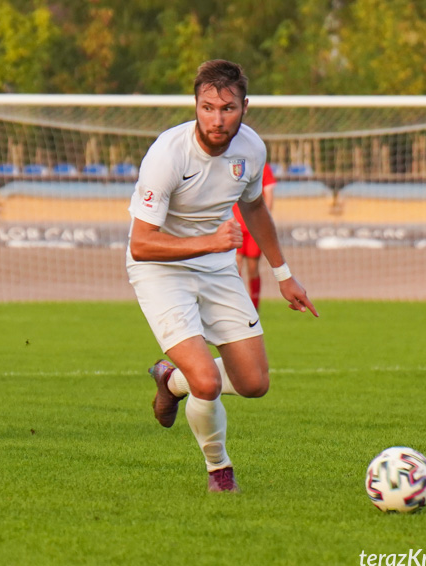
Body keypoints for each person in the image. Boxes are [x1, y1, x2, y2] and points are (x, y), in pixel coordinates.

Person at [126, 59, 318, 492]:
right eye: (208, 107)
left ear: (244, 107)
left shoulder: (251, 149)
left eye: (227, 108)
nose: (216, 118)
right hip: (160, 269)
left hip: (215, 266)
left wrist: (284, 274)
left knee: (254, 383)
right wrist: (210, 242)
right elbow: (141, 244)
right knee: (208, 382)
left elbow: (254, 207)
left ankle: (170, 380)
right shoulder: (167, 154)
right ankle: (220, 470)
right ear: (195, 104)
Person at [233, 162, 276, 310]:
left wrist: (264, 222)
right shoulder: (232, 162)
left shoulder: (262, 166)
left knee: (252, 267)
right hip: (235, 224)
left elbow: (268, 194)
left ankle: (254, 308)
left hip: (253, 227)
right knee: (235, 265)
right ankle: (236, 306)